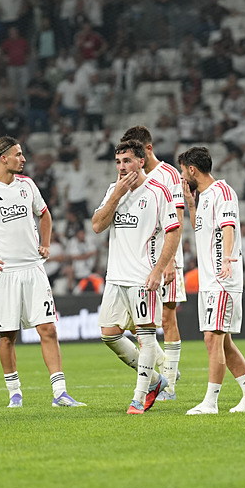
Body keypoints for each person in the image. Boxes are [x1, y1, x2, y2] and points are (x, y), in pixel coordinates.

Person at [0, 135, 85, 409]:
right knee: (8, 336)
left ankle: (60, 393)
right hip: (5, 272)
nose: (23, 159)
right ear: (4, 158)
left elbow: (44, 214)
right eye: (18, 154)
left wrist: (46, 243)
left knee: (48, 330)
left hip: (33, 269)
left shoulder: (28, 185)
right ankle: (15, 393)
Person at [91, 139, 181, 415]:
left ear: (141, 162)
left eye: (127, 161)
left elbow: (173, 231)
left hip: (143, 277)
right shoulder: (113, 190)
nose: (121, 167)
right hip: (115, 277)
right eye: (118, 162)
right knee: (109, 334)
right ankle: (155, 381)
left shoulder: (158, 191)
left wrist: (159, 269)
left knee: (146, 336)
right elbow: (97, 225)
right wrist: (116, 195)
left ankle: (138, 398)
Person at [179, 146, 245, 415]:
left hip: (222, 278)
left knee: (212, 337)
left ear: (192, 170)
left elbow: (229, 227)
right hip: (209, 280)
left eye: (183, 171)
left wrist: (227, 258)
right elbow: (200, 229)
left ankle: (210, 402)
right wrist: (191, 204)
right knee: (222, 341)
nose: (182, 177)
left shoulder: (223, 192)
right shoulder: (203, 196)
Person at [120, 126, 186, 400]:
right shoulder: (129, 175)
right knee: (133, 322)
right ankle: (166, 365)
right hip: (138, 261)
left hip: (165, 258)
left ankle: (168, 386)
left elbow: (177, 219)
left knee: (167, 319)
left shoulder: (169, 174)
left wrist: (169, 261)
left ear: (147, 149)